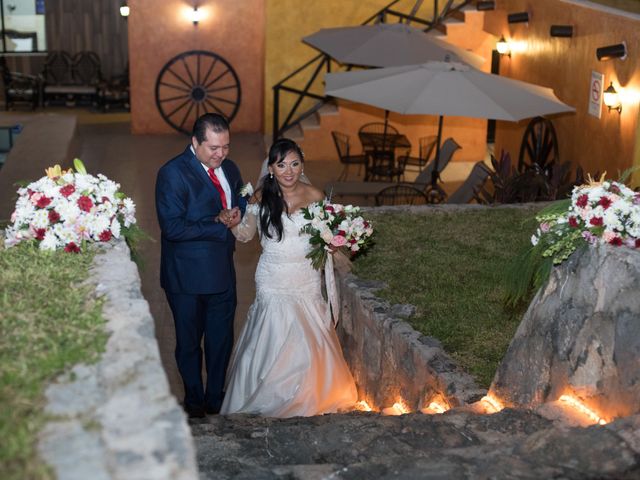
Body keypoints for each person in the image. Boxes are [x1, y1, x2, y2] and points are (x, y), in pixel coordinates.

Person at [220, 138, 357, 417]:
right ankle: (268, 395)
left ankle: (308, 394)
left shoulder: (316, 196)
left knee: (307, 335)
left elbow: (326, 235)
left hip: (304, 277)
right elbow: (246, 235)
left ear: (302, 165)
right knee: (273, 330)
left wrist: (335, 241)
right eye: (281, 165)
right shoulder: (260, 196)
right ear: (271, 168)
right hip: (272, 276)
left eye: (294, 164)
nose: (289, 171)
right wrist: (234, 223)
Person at [155, 113, 246, 418]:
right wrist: (218, 224)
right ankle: (194, 402)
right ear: (195, 143)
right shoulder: (172, 173)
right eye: (214, 148)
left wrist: (238, 212)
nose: (221, 154)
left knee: (221, 342)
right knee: (189, 344)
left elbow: (240, 200)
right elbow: (173, 228)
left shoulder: (230, 168)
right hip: (186, 279)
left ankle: (215, 398)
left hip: (223, 273)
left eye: (226, 147)